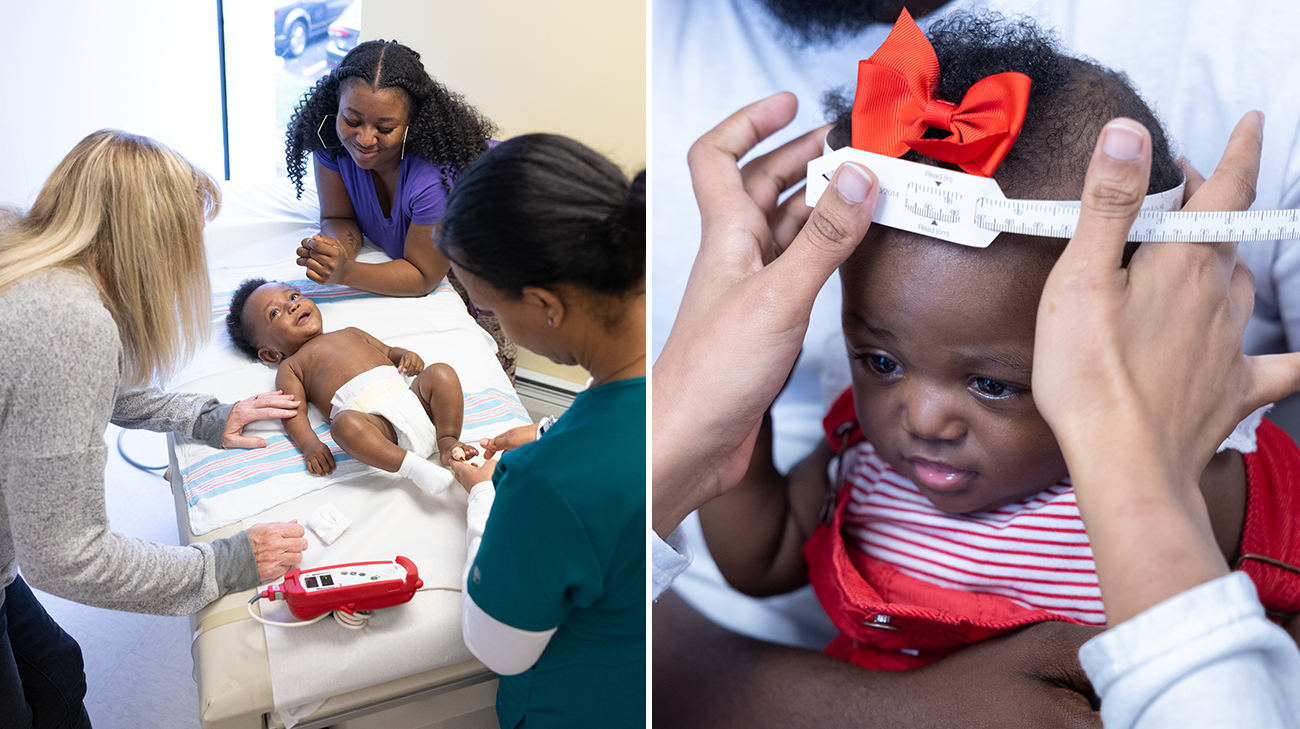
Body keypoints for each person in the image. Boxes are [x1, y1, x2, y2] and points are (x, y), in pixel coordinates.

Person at [652, 0, 1300, 652]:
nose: (924, 418)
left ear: (1140, 341)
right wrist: (741, 412)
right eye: (880, 361)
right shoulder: (867, 458)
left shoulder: (1192, 477)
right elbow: (759, 558)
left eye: (991, 383)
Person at [0, 130, 309, 727]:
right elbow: (67, 557)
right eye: (187, 242)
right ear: (147, 242)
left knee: (56, 669)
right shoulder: (68, 321)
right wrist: (221, 566)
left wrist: (201, 417)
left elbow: (59, 387)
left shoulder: (25, 249)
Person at [436, 134, 646, 729]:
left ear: (545, 304)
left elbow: (498, 647)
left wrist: (485, 495)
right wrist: (551, 430)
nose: (495, 324)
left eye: (491, 310)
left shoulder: (549, 483)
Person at [284, 39, 517, 379]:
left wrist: (346, 273)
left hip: (483, 253)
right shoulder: (331, 143)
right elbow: (338, 216)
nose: (364, 139)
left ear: (413, 123)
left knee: (489, 364)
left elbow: (423, 275)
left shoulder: (433, 177)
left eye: (384, 128)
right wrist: (336, 251)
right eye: (352, 120)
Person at [225, 278, 477, 494]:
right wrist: (310, 444)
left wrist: (405, 356)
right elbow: (294, 412)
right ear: (270, 354)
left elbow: (388, 351)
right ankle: (412, 468)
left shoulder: (351, 332)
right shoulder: (291, 366)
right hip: (377, 426)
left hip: (413, 401)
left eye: (293, 296)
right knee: (343, 425)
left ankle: (447, 439)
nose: (292, 305)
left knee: (441, 372)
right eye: (274, 313)